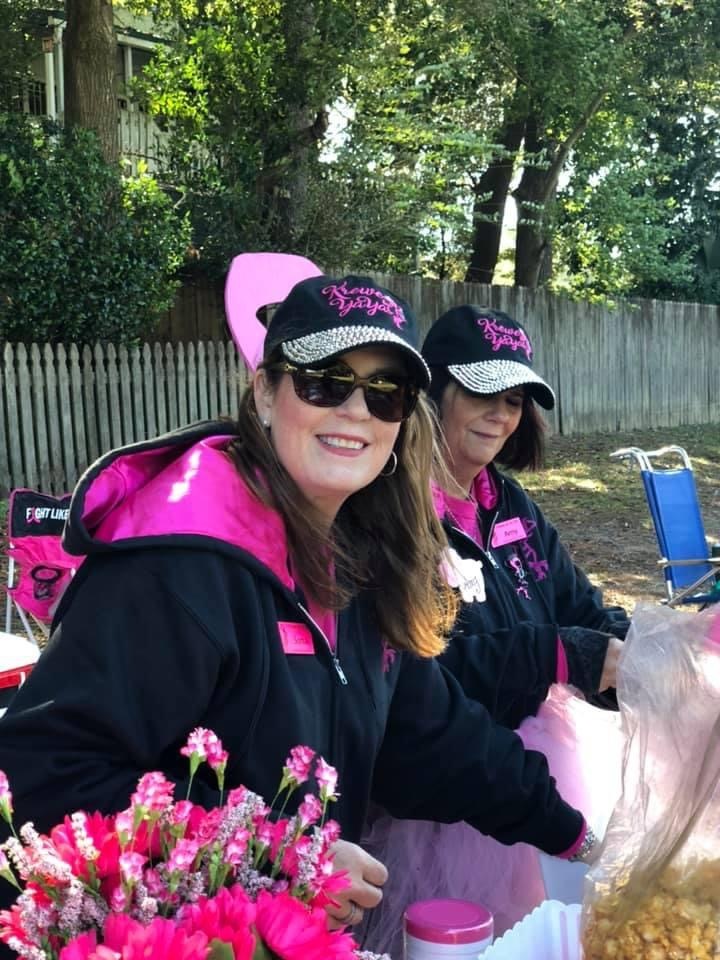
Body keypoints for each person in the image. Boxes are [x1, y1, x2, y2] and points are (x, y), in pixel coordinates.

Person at [0, 280, 596, 939]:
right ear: (265, 393)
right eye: (324, 382)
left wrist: (581, 840)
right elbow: (44, 777)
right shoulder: (177, 567)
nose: (356, 410)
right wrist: (282, 853)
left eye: (385, 391)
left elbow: (432, 736)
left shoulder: (359, 557)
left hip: (287, 936)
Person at [361, 305, 629, 953]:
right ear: (432, 392)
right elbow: (417, 678)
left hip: (530, 781)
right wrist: (556, 654)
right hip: (435, 805)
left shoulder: (508, 503)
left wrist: (649, 652)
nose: (500, 415)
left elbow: (580, 606)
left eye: (514, 400)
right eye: (482, 392)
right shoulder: (388, 511)